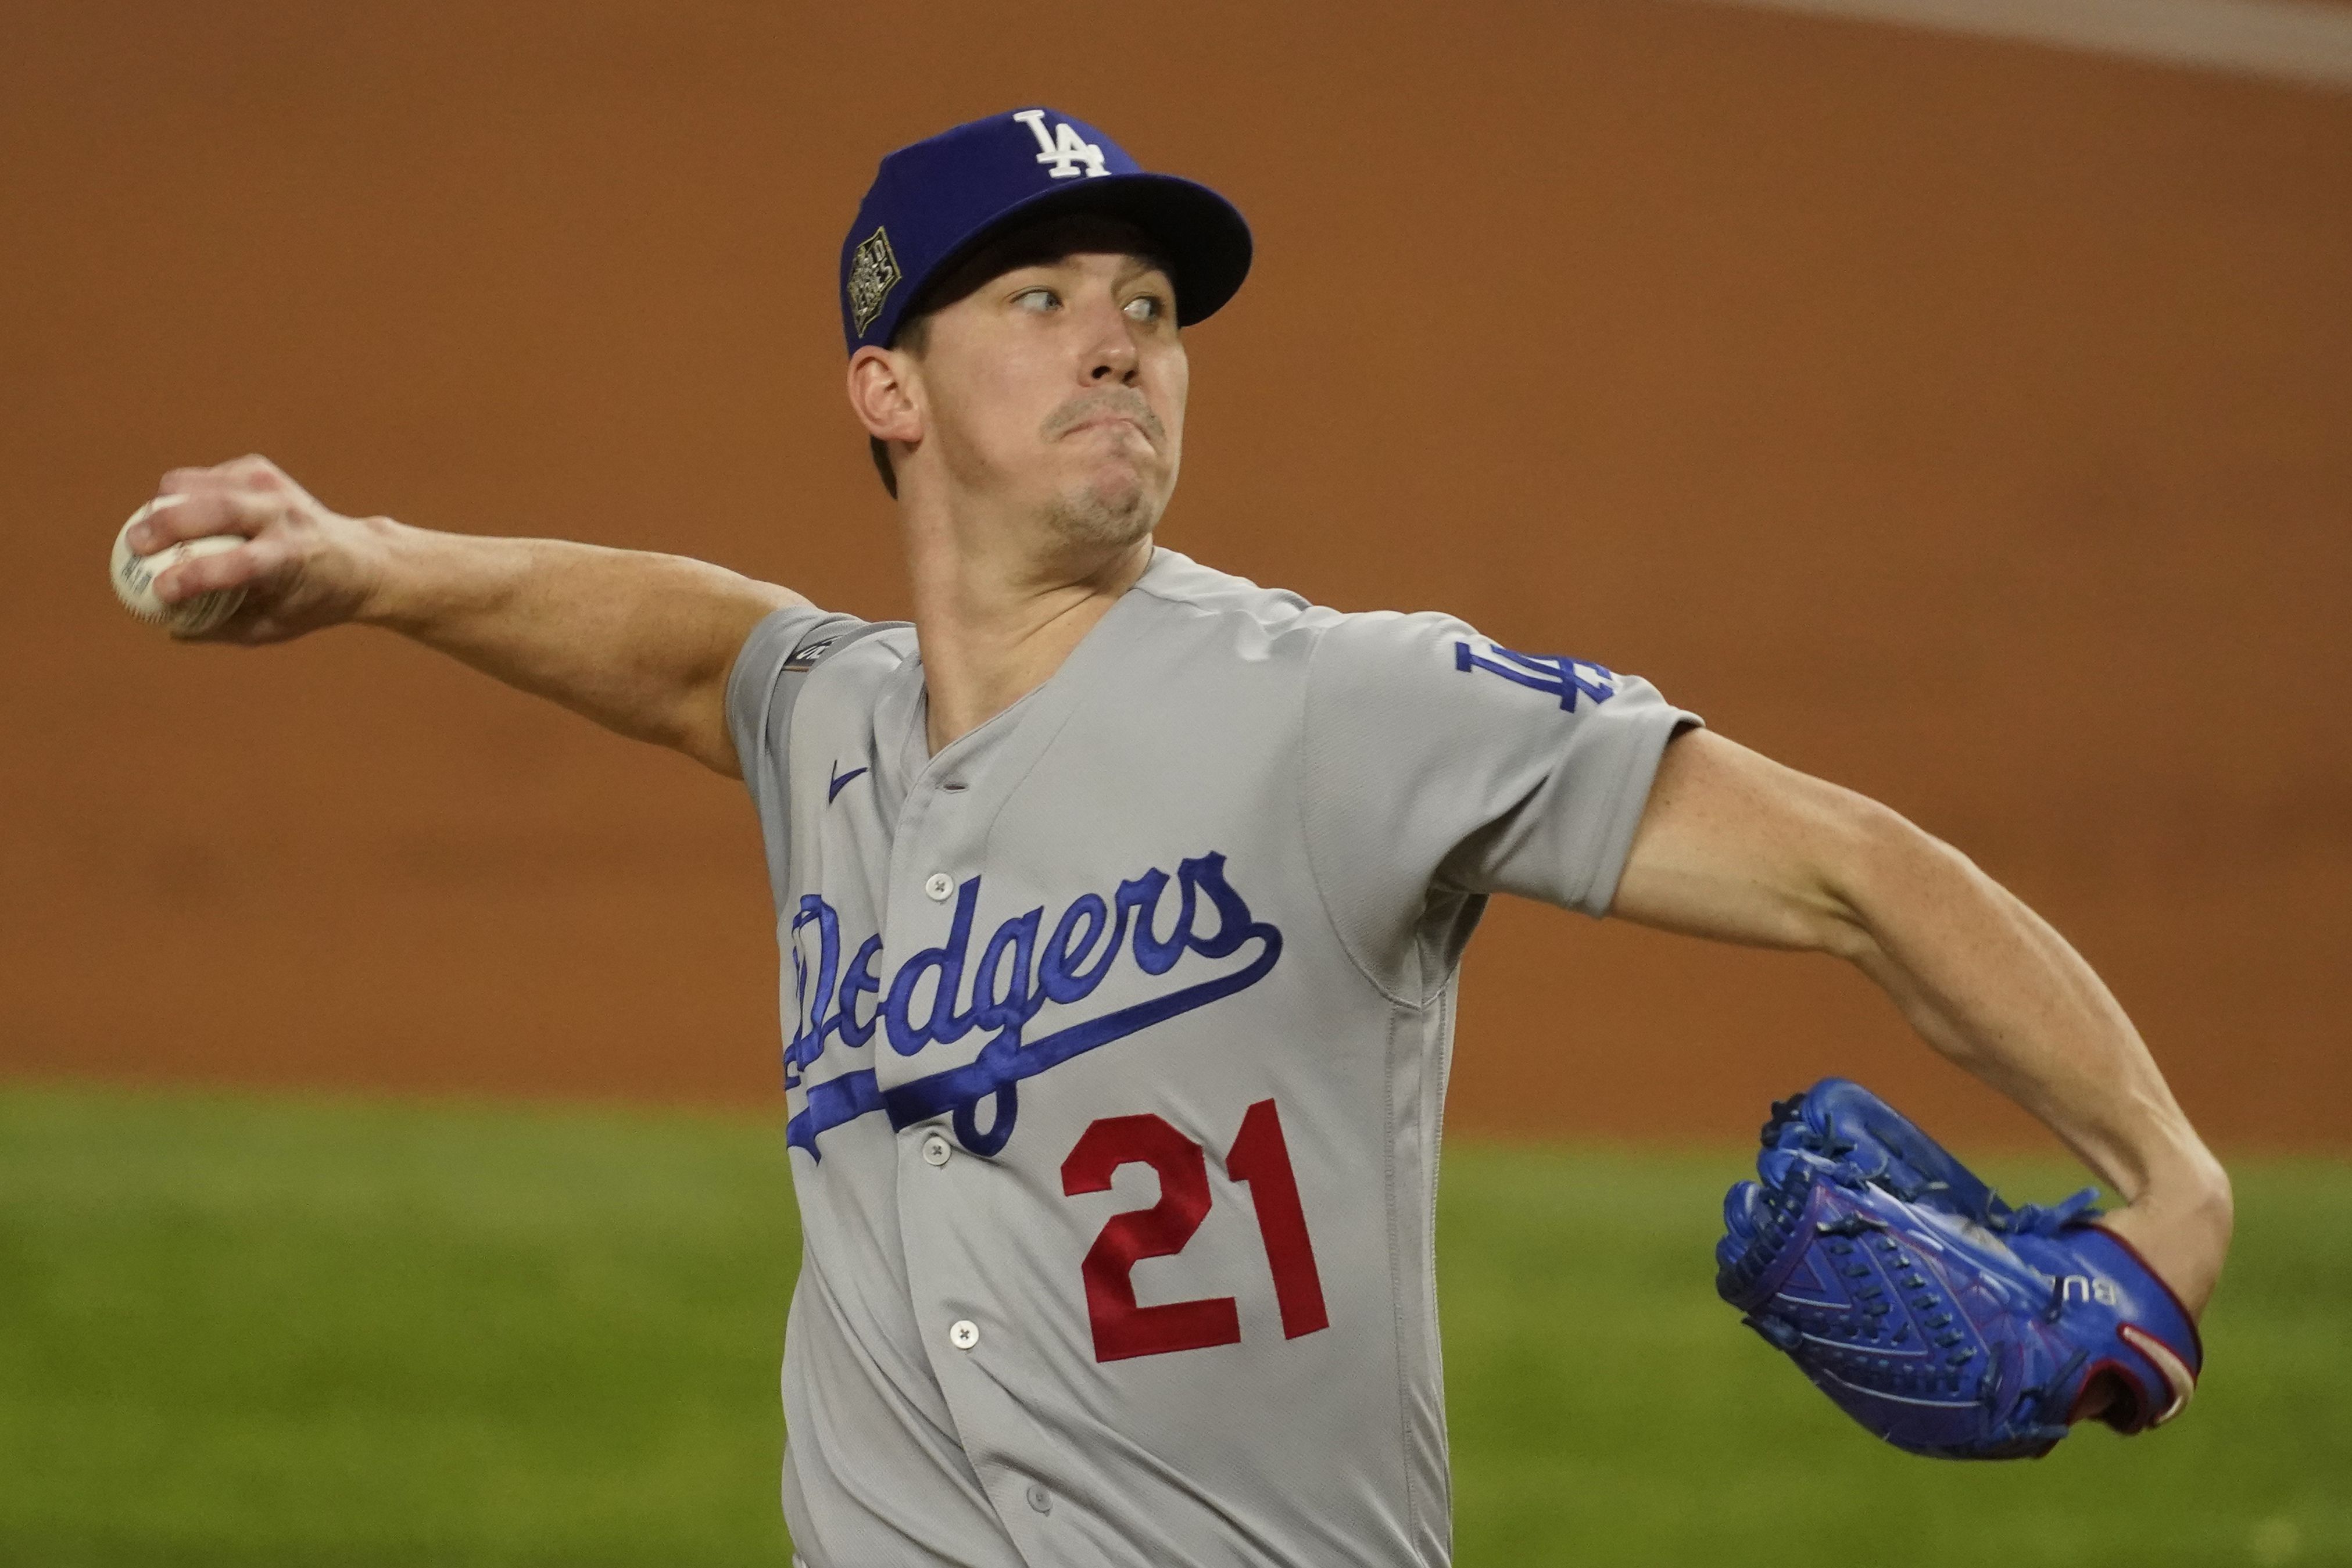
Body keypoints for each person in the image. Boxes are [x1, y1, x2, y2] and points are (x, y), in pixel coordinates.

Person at [130, 108, 2232, 1567]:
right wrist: (374, 562)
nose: (1121, 330)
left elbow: (1854, 863)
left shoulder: (1339, 702)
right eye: (1040, 295)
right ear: (888, 386)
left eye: (1144, 296)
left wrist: (2168, 1178)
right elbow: (703, 645)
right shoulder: (831, 723)